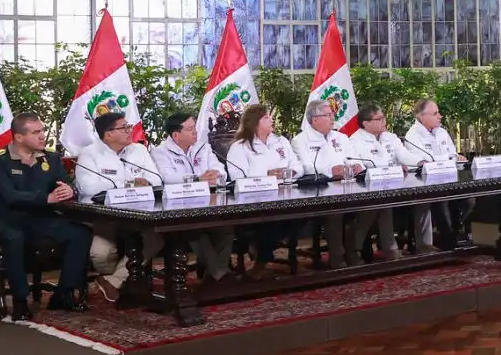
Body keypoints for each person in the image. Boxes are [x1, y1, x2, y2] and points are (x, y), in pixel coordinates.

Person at [0, 112, 91, 319]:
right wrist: (46, 198)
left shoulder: (50, 158)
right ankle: (20, 300)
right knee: (15, 238)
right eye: (36, 132)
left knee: (80, 234)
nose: (43, 136)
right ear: (19, 137)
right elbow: (9, 196)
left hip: (40, 219)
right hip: (6, 220)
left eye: (42, 131)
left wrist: (70, 190)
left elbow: (65, 183)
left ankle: (63, 294)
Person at [74, 111, 162, 302]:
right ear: (108, 134)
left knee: (158, 236)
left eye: (128, 126)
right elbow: (88, 187)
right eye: (124, 128)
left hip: (140, 213)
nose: (130, 131)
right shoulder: (89, 154)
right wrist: (127, 184)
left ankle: (113, 281)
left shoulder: (138, 150)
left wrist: (143, 182)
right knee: (100, 254)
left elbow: (156, 179)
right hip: (103, 216)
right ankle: (127, 278)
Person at [151, 111, 233, 283]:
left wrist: (216, 174)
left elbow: (220, 168)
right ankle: (220, 274)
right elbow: (167, 178)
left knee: (226, 227)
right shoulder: (160, 152)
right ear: (175, 134)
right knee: (196, 230)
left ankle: (213, 273)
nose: (195, 132)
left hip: (209, 200)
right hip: (179, 205)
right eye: (190, 129)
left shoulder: (202, 147)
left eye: (194, 128)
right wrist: (198, 179)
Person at [294, 99, 372, 268]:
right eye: (328, 115)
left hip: (349, 185)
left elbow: (356, 158)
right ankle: (338, 256)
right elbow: (306, 167)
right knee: (335, 210)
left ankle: (354, 249)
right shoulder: (300, 140)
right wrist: (331, 170)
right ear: (315, 120)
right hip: (321, 190)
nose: (333, 118)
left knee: (371, 205)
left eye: (332, 115)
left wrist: (359, 165)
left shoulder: (341, 137)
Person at [224, 104, 303, 264]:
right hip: (256, 200)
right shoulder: (240, 147)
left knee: (301, 215)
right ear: (254, 122)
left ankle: (261, 249)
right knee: (272, 220)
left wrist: (290, 172)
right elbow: (236, 177)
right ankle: (261, 260)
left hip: (285, 195)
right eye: (266, 117)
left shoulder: (281, 141)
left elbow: (298, 166)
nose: (271, 119)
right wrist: (266, 176)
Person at [402, 97, 472, 250]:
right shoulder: (412, 136)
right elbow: (425, 160)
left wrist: (457, 157)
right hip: (426, 183)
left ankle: (452, 234)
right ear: (422, 117)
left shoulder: (442, 132)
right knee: (441, 200)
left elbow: (452, 154)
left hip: (450, 178)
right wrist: (447, 159)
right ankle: (449, 240)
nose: (440, 116)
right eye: (435, 113)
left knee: (469, 199)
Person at [347, 103, 410, 257]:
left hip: (390, 183)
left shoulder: (390, 136)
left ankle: (384, 248)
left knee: (385, 202)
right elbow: (363, 165)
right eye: (379, 118)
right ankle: (358, 248)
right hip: (364, 187)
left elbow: (404, 155)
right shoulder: (356, 140)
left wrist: (421, 162)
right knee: (379, 204)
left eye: (383, 117)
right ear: (366, 123)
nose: (384, 121)